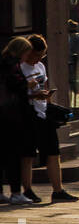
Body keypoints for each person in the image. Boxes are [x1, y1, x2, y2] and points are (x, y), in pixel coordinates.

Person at [18, 35, 75, 203]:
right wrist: (34, 94)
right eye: (36, 55)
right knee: (28, 154)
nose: (38, 59)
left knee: (53, 152)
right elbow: (17, 93)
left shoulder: (41, 66)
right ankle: (27, 189)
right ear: (28, 52)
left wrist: (48, 100)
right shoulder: (21, 68)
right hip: (29, 114)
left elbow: (45, 86)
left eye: (42, 56)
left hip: (43, 112)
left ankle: (58, 189)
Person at [1, 37, 39, 204]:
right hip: (12, 115)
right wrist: (29, 85)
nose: (27, 56)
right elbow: (15, 86)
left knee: (2, 155)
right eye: (26, 53)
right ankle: (16, 192)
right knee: (13, 156)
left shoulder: (2, 62)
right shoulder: (13, 65)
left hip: (3, 114)